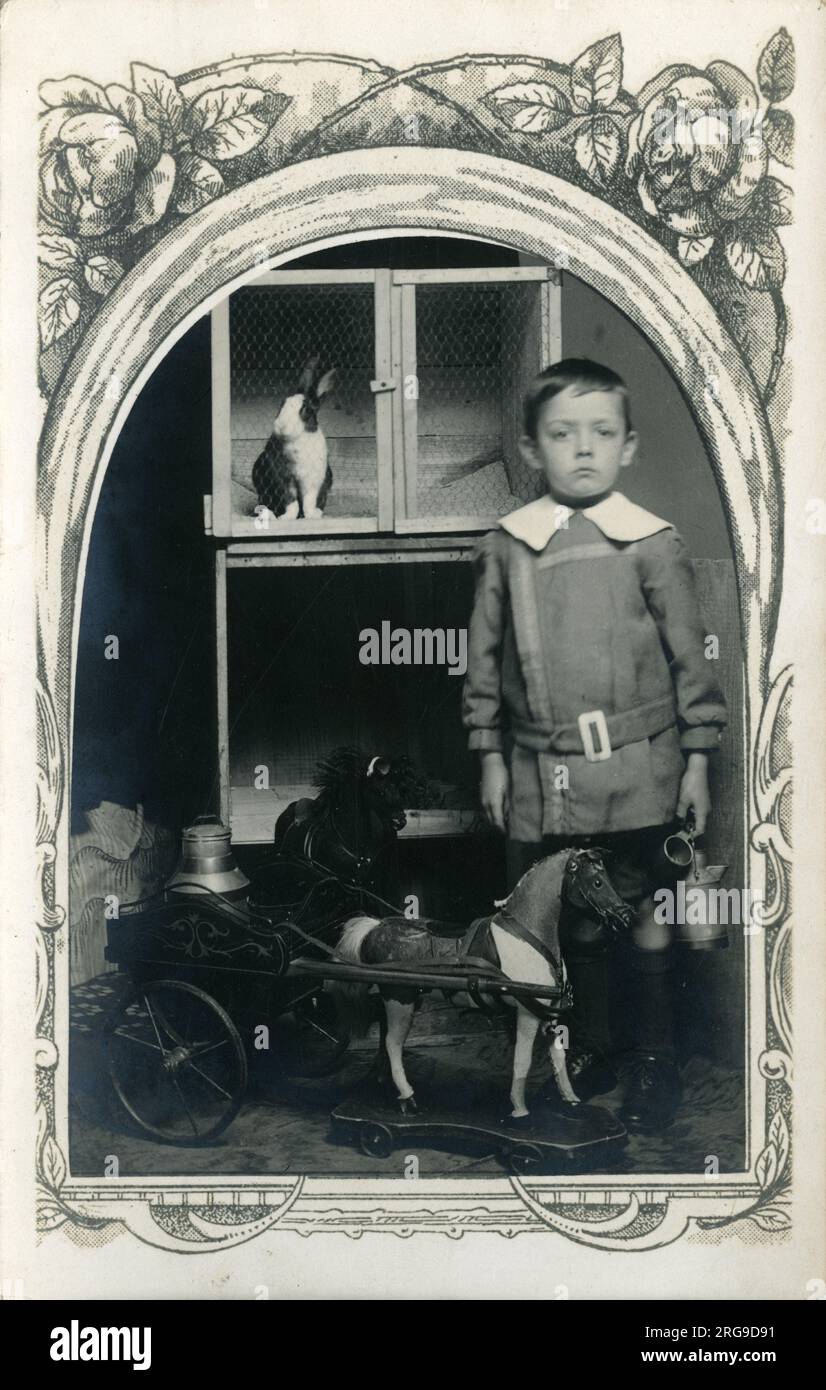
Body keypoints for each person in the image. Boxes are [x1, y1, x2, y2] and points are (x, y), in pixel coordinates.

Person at [462, 358, 727, 1131]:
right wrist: (489, 754)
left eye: (602, 433)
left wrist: (698, 762)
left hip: (640, 767)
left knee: (641, 907)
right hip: (549, 774)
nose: (583, 449)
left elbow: (691, 660)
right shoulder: (507, 548)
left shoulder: (651, 544)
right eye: (562, 434)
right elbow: (483, 662)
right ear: (530, 449)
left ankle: (654, 1059)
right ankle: (592, 1047)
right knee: (575, 913)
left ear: (629, 445)